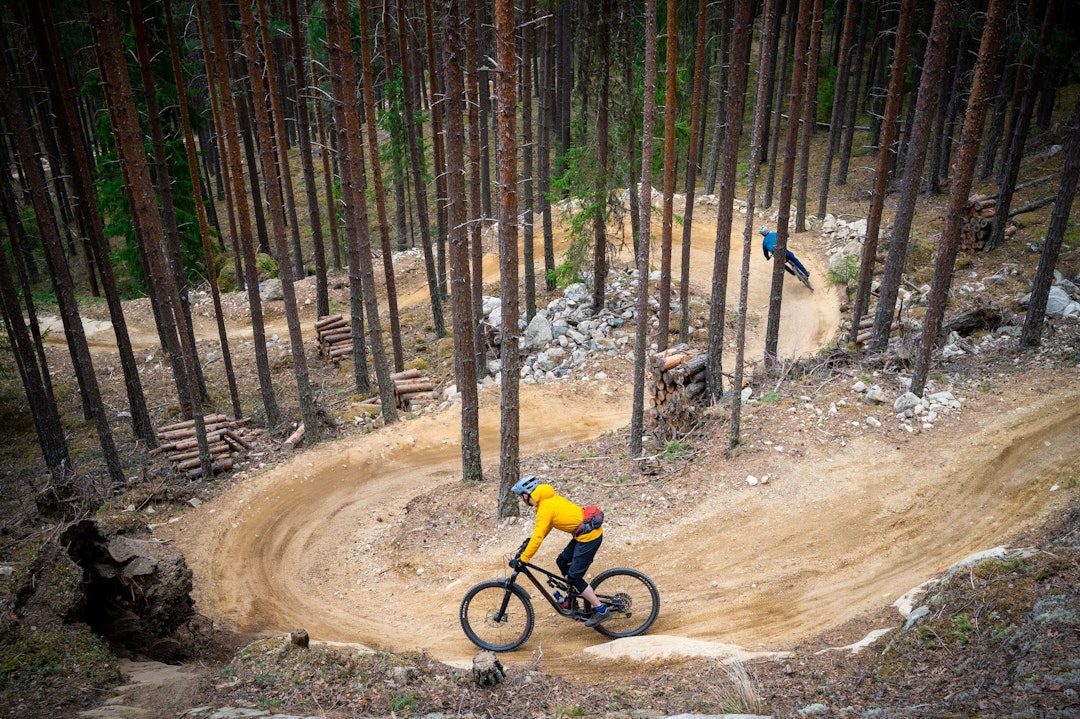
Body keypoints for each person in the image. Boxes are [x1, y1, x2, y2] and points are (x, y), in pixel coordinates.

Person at [509, 475, 612, 627]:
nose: (523, 500)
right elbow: (543, 530)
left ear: (526, 495)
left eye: (522, 497)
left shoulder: (545, 508)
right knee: (562, 561)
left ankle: (601, 610)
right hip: (584, 535)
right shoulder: (548, 500)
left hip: (589, 538)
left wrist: (523, 559)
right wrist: (528, 543)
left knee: (574, 577)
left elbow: (538, 536)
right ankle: (572, 598)